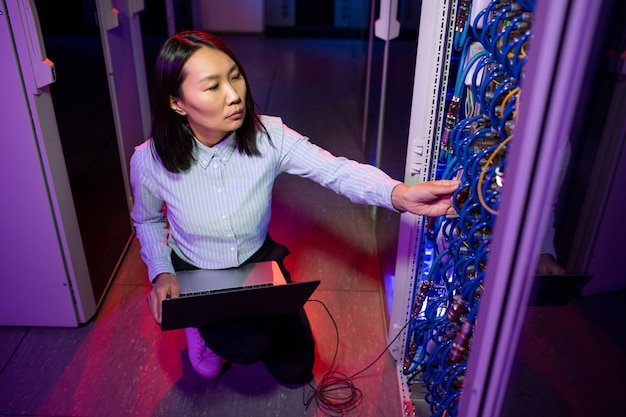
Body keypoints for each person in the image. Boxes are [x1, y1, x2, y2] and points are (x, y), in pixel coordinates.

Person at [130, 30, 460, 386]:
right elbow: (147, 219)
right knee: (249, 345)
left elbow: (336, 170)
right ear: (177, 103)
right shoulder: (149, 160)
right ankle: (197, 324)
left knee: (297, 370)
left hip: (258, 260)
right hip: (198, 271)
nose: (234, 95)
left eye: (235, 76)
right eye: (212, 87)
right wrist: (162, 272)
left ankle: (242, 323)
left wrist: (398, 194)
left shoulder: (268, 135)